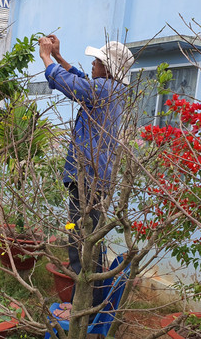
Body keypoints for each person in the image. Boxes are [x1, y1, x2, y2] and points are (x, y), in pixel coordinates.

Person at [38, 35, 134, 310]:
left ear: (109, 70)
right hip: (99, 176)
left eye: (98, 62)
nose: (92, 64)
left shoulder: (102, 89)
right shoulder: (114, 90)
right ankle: (94, 301)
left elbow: (72, 84)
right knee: (91, 239)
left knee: (80, 240)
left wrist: (46, 58)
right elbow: (81, 79)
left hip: (87, 176)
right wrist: (58, 57)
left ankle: (84, 308)